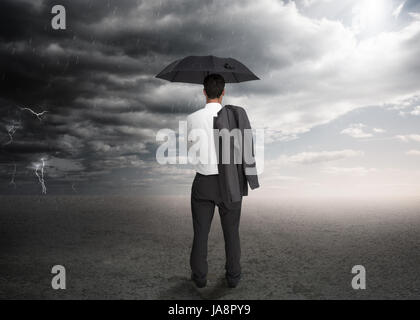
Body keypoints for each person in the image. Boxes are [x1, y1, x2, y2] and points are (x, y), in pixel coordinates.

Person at [186, 73, 259, 289]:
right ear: (224, 92)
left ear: (203, 92)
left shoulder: (192, 119)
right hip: (230, 183)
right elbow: (246, 148)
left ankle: (199, 277)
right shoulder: (235, 116)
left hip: (203, 183)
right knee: (231, 232)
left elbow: (191, 153)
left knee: (200, 233)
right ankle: (233, 277)